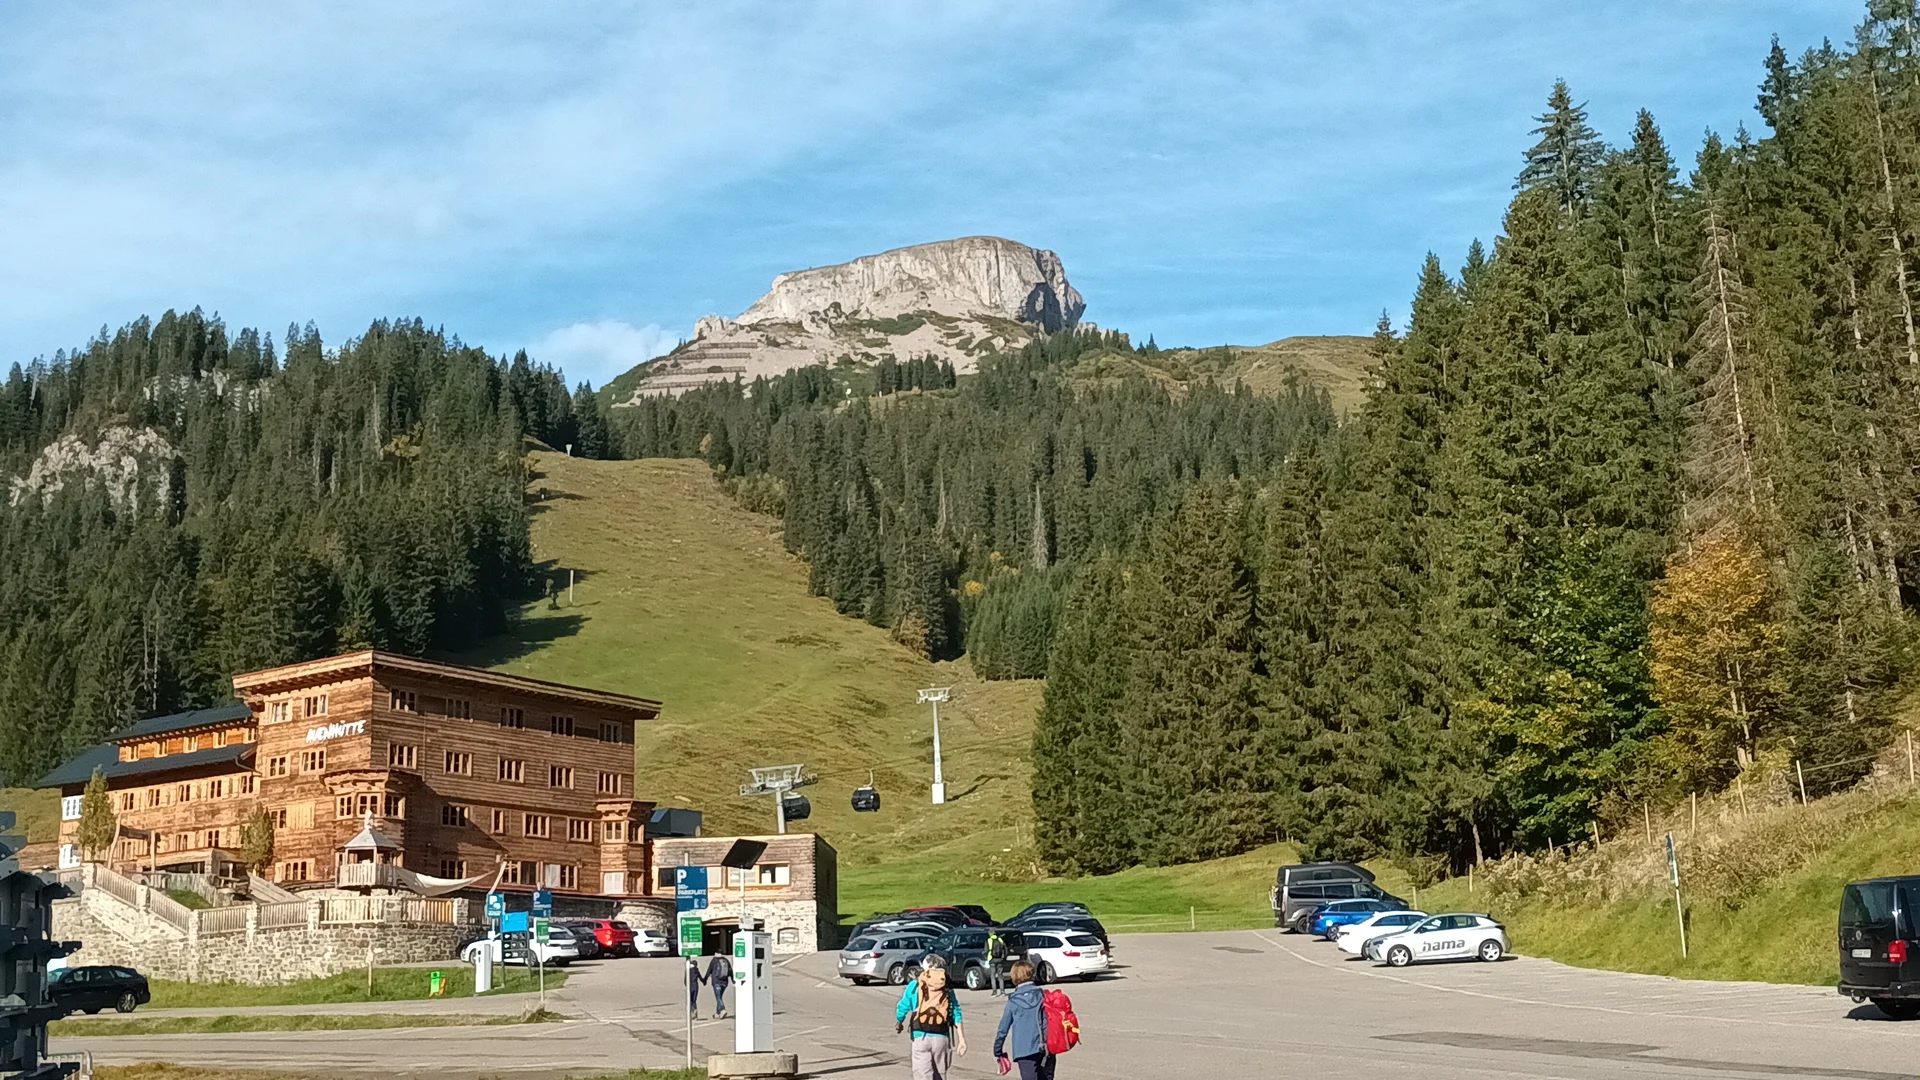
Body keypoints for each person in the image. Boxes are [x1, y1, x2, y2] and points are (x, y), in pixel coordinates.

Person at [894, 964, 966, 1080]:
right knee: (940, 1076)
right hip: (942, 1037)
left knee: (922, 1076)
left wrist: (899, 1021)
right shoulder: (946, 987)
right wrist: (962, 1040)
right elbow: (956, 1012)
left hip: (920, 1036)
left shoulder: (915, 985)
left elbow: (903, 1006)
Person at [993, 961, 1053, 1080]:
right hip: (1047, 1047)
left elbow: (1003, 1029)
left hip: (1024, 1051)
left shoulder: (1013, 1002)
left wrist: (997, 1050)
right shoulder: (1043, 995)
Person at [706, 948, 733, 1019]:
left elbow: (709, 970)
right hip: (725, 982)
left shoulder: (714, 960)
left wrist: (705, 979)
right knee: (720, 997)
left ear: (716, 953)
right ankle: (717, 1013)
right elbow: (730, 971)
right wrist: (733, 980)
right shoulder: (726, 960)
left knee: (718, 997)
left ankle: (723, 1009)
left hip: (716, 981)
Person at [985, 929, 1008, 997]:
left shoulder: (988, 940)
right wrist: (1004, 957)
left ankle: (994, 992)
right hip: (1000, 959)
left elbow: (986, 950)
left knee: (993, 976)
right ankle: (1002, 991)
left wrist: (987, 957)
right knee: (1000, 976)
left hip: (992, 960)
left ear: (990, 933)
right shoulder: (1000, 939)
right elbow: (1005, 948)